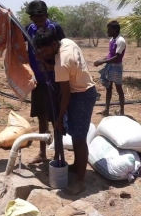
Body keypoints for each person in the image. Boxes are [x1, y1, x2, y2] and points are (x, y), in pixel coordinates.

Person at [33, 28, 97, 195]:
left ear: (54, 44)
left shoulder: (62, 63)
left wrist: (60, 118)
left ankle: (80, 181)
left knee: (79, 138)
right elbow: (60, 64)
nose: (44, 53)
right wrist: (46, 59)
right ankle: (76, 165)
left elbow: (66, 94)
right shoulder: (67, 42)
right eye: (41, 51)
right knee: (77, 135)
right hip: (85, 88)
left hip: (81, 94)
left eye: (45, 50)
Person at [25, 0, 66, 164]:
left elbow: (63, 51)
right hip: (39, 81)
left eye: (41, 19)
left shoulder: (55, 28)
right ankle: (42, 153)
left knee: (56, 117)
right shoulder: (28, 29)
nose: (38, 23)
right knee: (41, 116)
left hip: (55, 80)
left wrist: (50, 65)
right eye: (35, 20)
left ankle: (58, 153)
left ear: (47, 16)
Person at [94, 20, 126, 116]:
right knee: (108, 88)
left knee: (119, 89)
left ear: (115, 30)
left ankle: (122, 111)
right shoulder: (112, 40)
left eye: (109, 30)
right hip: (110, 66)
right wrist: (100, 60)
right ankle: (106, 110)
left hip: (116, 67)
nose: (107, 32)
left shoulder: (121, 41)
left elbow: (117, 57)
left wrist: (102, 62)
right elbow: (110, 55)